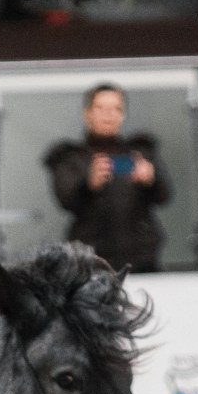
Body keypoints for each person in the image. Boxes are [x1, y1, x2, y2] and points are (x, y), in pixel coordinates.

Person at [43, 83, 173, 274]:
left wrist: (150, 180)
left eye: (116, 109)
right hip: (91, 260)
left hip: (141, 259)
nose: (108, 115)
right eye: (101, 108)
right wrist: (88, 184)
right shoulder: (71, 157)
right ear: (87, 113)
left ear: (123, 114)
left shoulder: (140, 152)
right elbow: (66, 201)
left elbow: (165, 196)